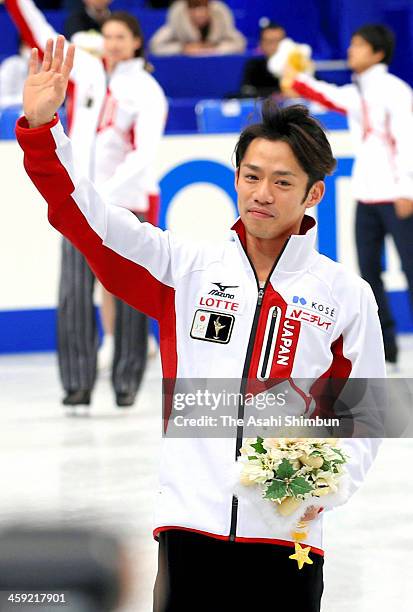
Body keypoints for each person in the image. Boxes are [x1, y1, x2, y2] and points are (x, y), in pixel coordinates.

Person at [17, 38, 385, 610]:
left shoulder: (345, 296)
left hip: (290, 538)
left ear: (314, 192)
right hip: (188, 527)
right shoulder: (184, 268)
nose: (261, 195)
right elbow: (86, 217)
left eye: (283, 182)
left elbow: (368, 409)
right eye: (251, 176)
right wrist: (43, 132)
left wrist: (326, 486)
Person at [7, 0, 168, 408]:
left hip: (125, 206)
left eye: (120, 37)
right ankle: (77, 383)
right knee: (74, 293)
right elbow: (42, 35)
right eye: (107, 36)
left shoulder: (147, 90)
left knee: (130, 294)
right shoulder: (89, 75)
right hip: (80, 204)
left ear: (135, 43)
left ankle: (127, 381)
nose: (112, 44)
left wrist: (102, 196)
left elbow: (144, 154)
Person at [280, 24, 413, 367]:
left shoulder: (396, 92)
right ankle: (387, 348)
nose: (350, 50)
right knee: (369, 275)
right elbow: (324, 94)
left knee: (411, 269)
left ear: (377, 52)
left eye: (358, 45)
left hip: (398, 195)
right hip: (366, 195)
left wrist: (406, 189)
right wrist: (293, 71)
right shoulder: (358, 93)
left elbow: (407, 142)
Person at [149, 0, 246, 56]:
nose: (199, 13)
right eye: (194, 9)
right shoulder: (177, 21)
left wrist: (215, 48)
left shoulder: (220, 19)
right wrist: (182, 48)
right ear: (187, 10)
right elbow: (155, 46)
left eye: (203, 8)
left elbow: (240, 43)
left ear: (210, 9)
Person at [238, 22, 284, 99]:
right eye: (270, 42)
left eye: (279, 41)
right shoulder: (253, 65)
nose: (275, 46)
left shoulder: (294, 65)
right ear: (261, 44)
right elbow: (246, 91)